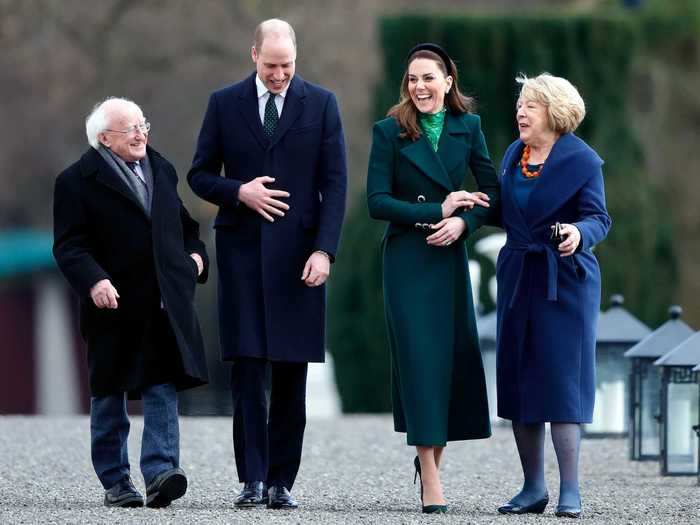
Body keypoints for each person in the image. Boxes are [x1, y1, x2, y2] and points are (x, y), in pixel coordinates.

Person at [187, 19, 347, 510]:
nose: (280, 75)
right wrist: (238, 191)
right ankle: (251, 479)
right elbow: (197, 174)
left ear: (296, 58)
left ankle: (282, 482)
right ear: (253, 54)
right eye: (271, 65)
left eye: (288, 66)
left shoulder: (321, 104)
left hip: (299, 261)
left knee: (291, 374)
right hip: (241, 257)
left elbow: (336, 184)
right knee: (248, 372)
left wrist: (325, 250)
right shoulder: (223, 103)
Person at [52, 98, 209, 508]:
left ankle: (160, 473)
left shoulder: (162, 169)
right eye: (130, 129)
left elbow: (186, 228)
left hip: (162, 304)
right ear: (104, 139)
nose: (141, 134)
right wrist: (94, 279)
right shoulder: (75, 181)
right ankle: (116, 481)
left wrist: (196, 258)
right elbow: (70, 246)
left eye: (143, 125)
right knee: (110, 391)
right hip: (112, 305)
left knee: (162, 385)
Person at [367, 43, 499, 514]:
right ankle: (432, 479)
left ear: (448, 82)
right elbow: (376, 202)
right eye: (412, 79)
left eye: (429, 78)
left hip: (450, 262)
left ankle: (431, 465)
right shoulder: (389, 132)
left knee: (447, 364)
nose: (419, 87)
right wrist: (434, 211)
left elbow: (493, 193)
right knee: (420, 363)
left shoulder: (471, 127)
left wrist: (464, 223)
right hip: (408, 262)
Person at [494, 73, 611, 519]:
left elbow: (599, 218)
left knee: (561, 382)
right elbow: (507, 212)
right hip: (520, 276)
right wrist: (470, 208)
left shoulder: (583, 161)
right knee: (521, 378)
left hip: (565, 281)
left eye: (531, 106)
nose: (520, 112)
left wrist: (578, 233)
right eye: (520, 104)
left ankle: (571, 490)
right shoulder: (513, 155)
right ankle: (532, 489)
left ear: (555, 113)